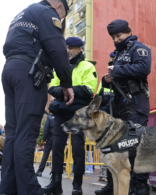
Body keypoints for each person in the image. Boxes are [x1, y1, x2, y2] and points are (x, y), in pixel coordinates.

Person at [0, 0, 74, 194]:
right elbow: (57, 48)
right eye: (62, 15)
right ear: (59, 6)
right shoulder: (47, 12)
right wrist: (67, 82)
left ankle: (8, 189)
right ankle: (30, 190)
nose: (60, 19)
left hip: (10, 69)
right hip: (28, 74)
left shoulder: (24, 13)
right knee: (26, 134)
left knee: (13, 135)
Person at [95, 19, 152, 195]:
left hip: (135, 102)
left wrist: (117, 72)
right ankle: (114, 186)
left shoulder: (139, 48)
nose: (116, 39)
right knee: (117, 147)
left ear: (128, 32)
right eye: (113, 37)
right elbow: (115, 78)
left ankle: (140, 187)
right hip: (118, 104)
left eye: (118, 35)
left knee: (137, 147)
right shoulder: (115, 54)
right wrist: (107, 80)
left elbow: (144, 68)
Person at [45, 36, 98, 195]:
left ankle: (77, 185)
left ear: (80, 49)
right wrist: (64, 91)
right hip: (62, 111)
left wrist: (68, 91)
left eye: (70, 48)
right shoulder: (59, 67)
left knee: (77, 147)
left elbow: (89, 90)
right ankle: (55, 183)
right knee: (58, 145)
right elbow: (52, 88)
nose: (67, 51)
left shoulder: (88, 66)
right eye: (65, 47)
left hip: (78, 114)